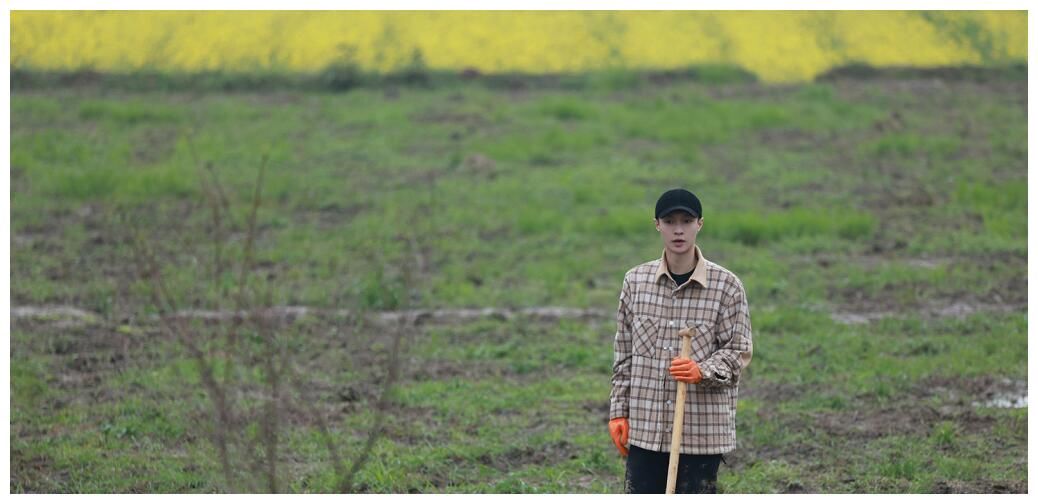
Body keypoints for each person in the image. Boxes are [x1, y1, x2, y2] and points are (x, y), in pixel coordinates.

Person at [608, 188, 753, 494]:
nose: (678, 229)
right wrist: (619, 411)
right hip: (646, 427)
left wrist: (703, 370)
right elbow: (624, 355)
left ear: (699, 224)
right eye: (669, 220)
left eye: (686, 220)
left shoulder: (727, 286)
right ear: (656, 224)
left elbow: (738, 352)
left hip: (701, 432)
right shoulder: (635, 282)